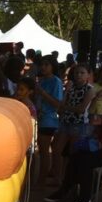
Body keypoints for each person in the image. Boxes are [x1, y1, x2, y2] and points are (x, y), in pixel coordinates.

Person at [51, 64, 95, 169]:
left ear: (88, 75)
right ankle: (58, 175)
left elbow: (81, 109)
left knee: (73, 152)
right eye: (77, 73)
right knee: (56, 149)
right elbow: (61, 104)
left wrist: (66, 108)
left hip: (79, 123)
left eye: (82, 73)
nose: (79, 75)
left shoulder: (89, 89)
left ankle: (69, 175)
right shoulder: (71, 87)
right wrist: (66, 91)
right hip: (66, 121)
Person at [34, 56, 64, 185]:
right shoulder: (42, 80)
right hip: (41, 117)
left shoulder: (56, 81)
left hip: (49, 119)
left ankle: (41, 180)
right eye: (42, 64)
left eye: (46, 64)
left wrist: (42, 92)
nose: (43, 67)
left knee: (44, 151)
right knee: (44, 150)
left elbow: (57, 103)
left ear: (53, 66)